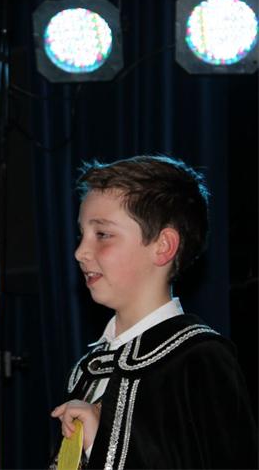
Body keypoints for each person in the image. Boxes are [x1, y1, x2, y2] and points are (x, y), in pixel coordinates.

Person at [51, 155, 257, 469]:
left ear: (163, 246)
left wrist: (99, 444)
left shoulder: (199, 359)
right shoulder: (88, 369)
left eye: (102, 234)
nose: (80, 251)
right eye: (82, 235)